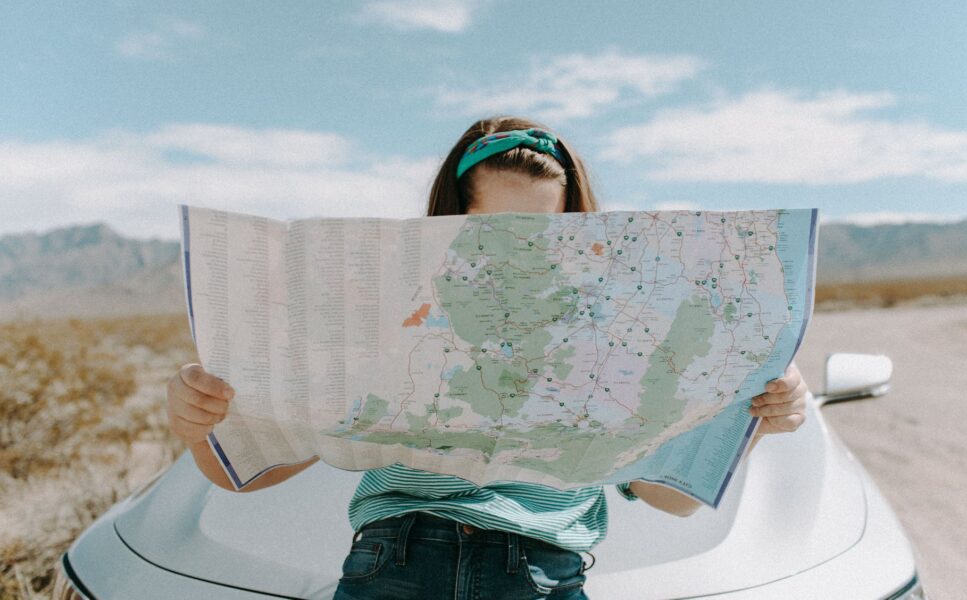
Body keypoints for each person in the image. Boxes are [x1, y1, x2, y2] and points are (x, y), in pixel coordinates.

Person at [165, 116, 809, 599]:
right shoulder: (390, 311)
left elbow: (671, 499)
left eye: (542, 232)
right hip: (395, 563)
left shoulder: (618, 329)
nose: (516, 251)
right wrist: (199, 425)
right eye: (491, 230)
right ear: (450, 222)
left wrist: (752, 419)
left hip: (543, 573)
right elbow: (248, 472)